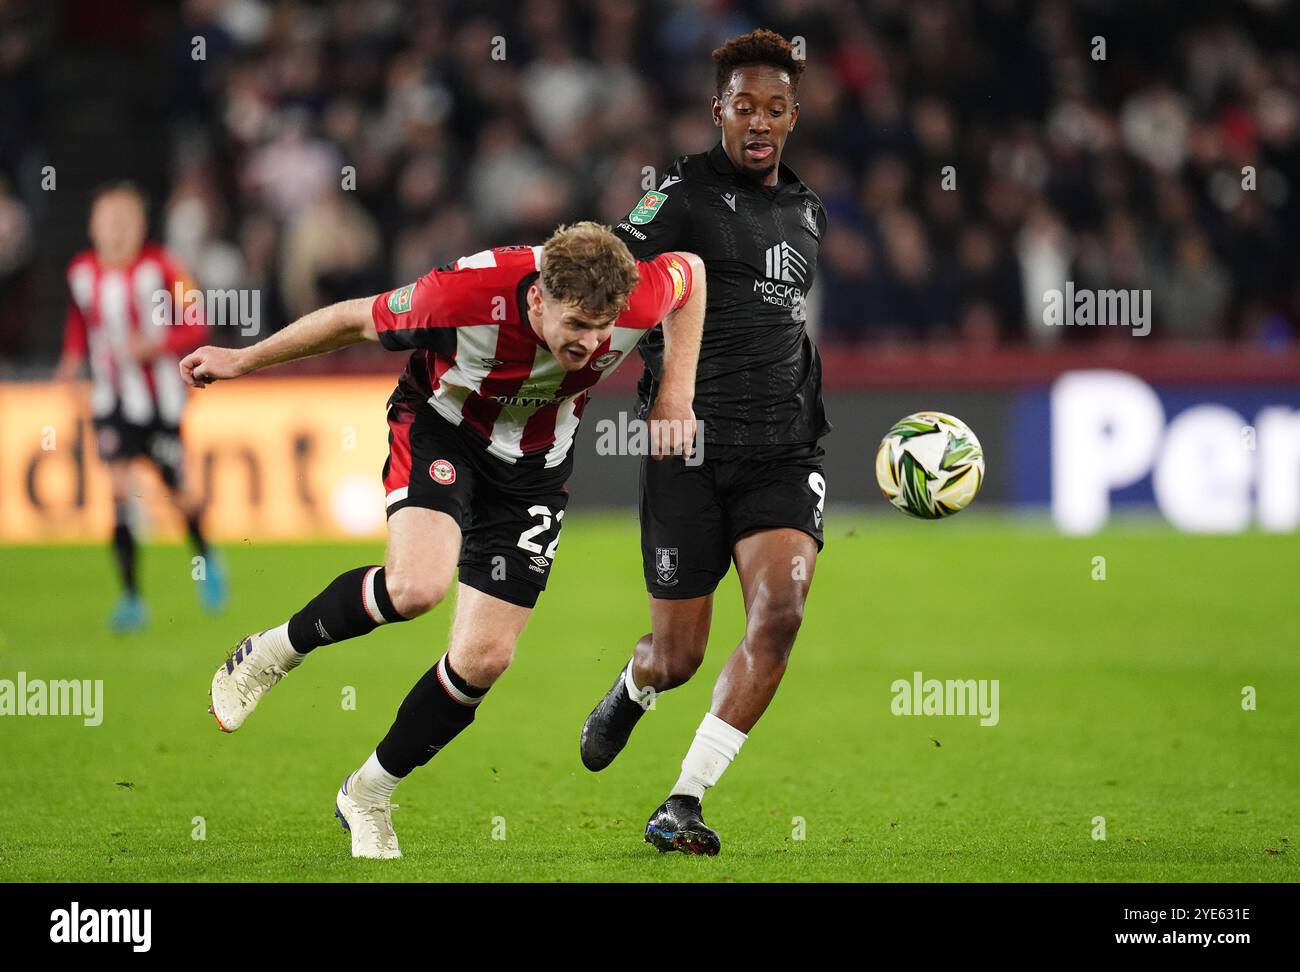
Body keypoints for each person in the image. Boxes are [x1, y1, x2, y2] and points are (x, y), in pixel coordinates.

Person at [181, 223, 705, 859]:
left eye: (605, 328)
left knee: (484, 660)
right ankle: (269, 653)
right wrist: (243, 360)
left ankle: (369, 792)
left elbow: (692, 273)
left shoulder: (638, 292)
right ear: (538, 299)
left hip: (535, 470)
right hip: (442, 431)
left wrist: (677, 389)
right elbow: (353, 320)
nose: (593, 343)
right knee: (416, 587)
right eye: (577, 326)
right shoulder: (461, 295)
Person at [580, 29, 830, 856]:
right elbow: (608, 276)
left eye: (775, 108)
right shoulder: (678, 197)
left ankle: (682, 800)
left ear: (794, 116)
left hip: (782, 454)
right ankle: (633, 685)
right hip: (687, 452)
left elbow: (785, 328)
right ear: (717, 109)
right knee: (677, 655)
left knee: (781, 613)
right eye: (743, 107)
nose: (759, 123)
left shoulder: (807, 212)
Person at [54, 181, 225, 633]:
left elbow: (196, 322)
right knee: (117, 491)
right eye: (107, 220)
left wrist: (155, 346)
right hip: (111, 401)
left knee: (176, 492)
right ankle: (131, 597)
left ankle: (206, 557)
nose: (116, 229)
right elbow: (80, 322)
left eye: (125, 220)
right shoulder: (81, 271)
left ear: (141, 226)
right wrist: (71, 363)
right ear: (93, 225)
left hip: (160, 405)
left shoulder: (165, 267)